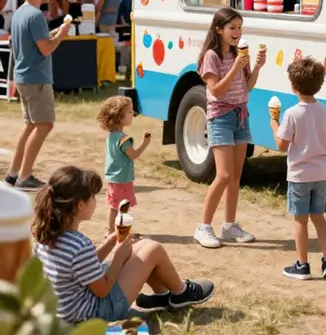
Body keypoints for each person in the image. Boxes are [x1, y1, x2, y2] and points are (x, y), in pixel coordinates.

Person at [33, 166, 215, 323]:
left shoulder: (48, 237)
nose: (96, 202)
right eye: (93, 197)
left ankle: (163, 296)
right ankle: (182, 293)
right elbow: (103, 290)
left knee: (140, 248)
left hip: (68, 312)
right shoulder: (80, 245)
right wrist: (119, 256)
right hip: (94, 314)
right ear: (80, 205)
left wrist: (113, 239)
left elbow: (85, 266)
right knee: (152, 249)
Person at [194, 8, 265, 249]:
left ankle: (229, 226)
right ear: (219, 29)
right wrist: (236, 67)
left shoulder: (239, 53)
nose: (237, 32)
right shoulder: (211, 57)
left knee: (235, 175)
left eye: (239, 27)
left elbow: (247, 87)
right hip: (220, 117)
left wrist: (257, 66)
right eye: (232, 27)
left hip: (241, 116)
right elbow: (216, 90)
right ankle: (203, 227)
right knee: (223, 175)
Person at [270, 56, 326, 280]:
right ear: (319, 84)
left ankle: (303, 265)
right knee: (319, 217)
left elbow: (281, 145)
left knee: (300, 220)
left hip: (299, 175)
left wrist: (273, 123)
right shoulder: (325, 112)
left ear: (293, 85)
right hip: (321, 174)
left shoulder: (291, 114)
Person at [4, 0, 70, 192]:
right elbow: (46, 48)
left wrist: (54, 32)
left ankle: (14, 174)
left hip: (23, 77)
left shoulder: (21, 13)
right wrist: (62, 33)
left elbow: (35, 42)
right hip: (36, 78)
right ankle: (25, 176)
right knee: (44, 125)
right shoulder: (35, 15)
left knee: (31, 125)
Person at [97, 96, 151, 237]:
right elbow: (134, 155)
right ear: (119, 117)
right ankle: (118, 231)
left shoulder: (112, 136)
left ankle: (112, 230)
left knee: (114, 206)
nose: (132, 114)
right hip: (122, 179)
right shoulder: (124, 139)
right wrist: (145, 143)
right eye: (129, 112)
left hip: (113, 179)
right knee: (121, 207)